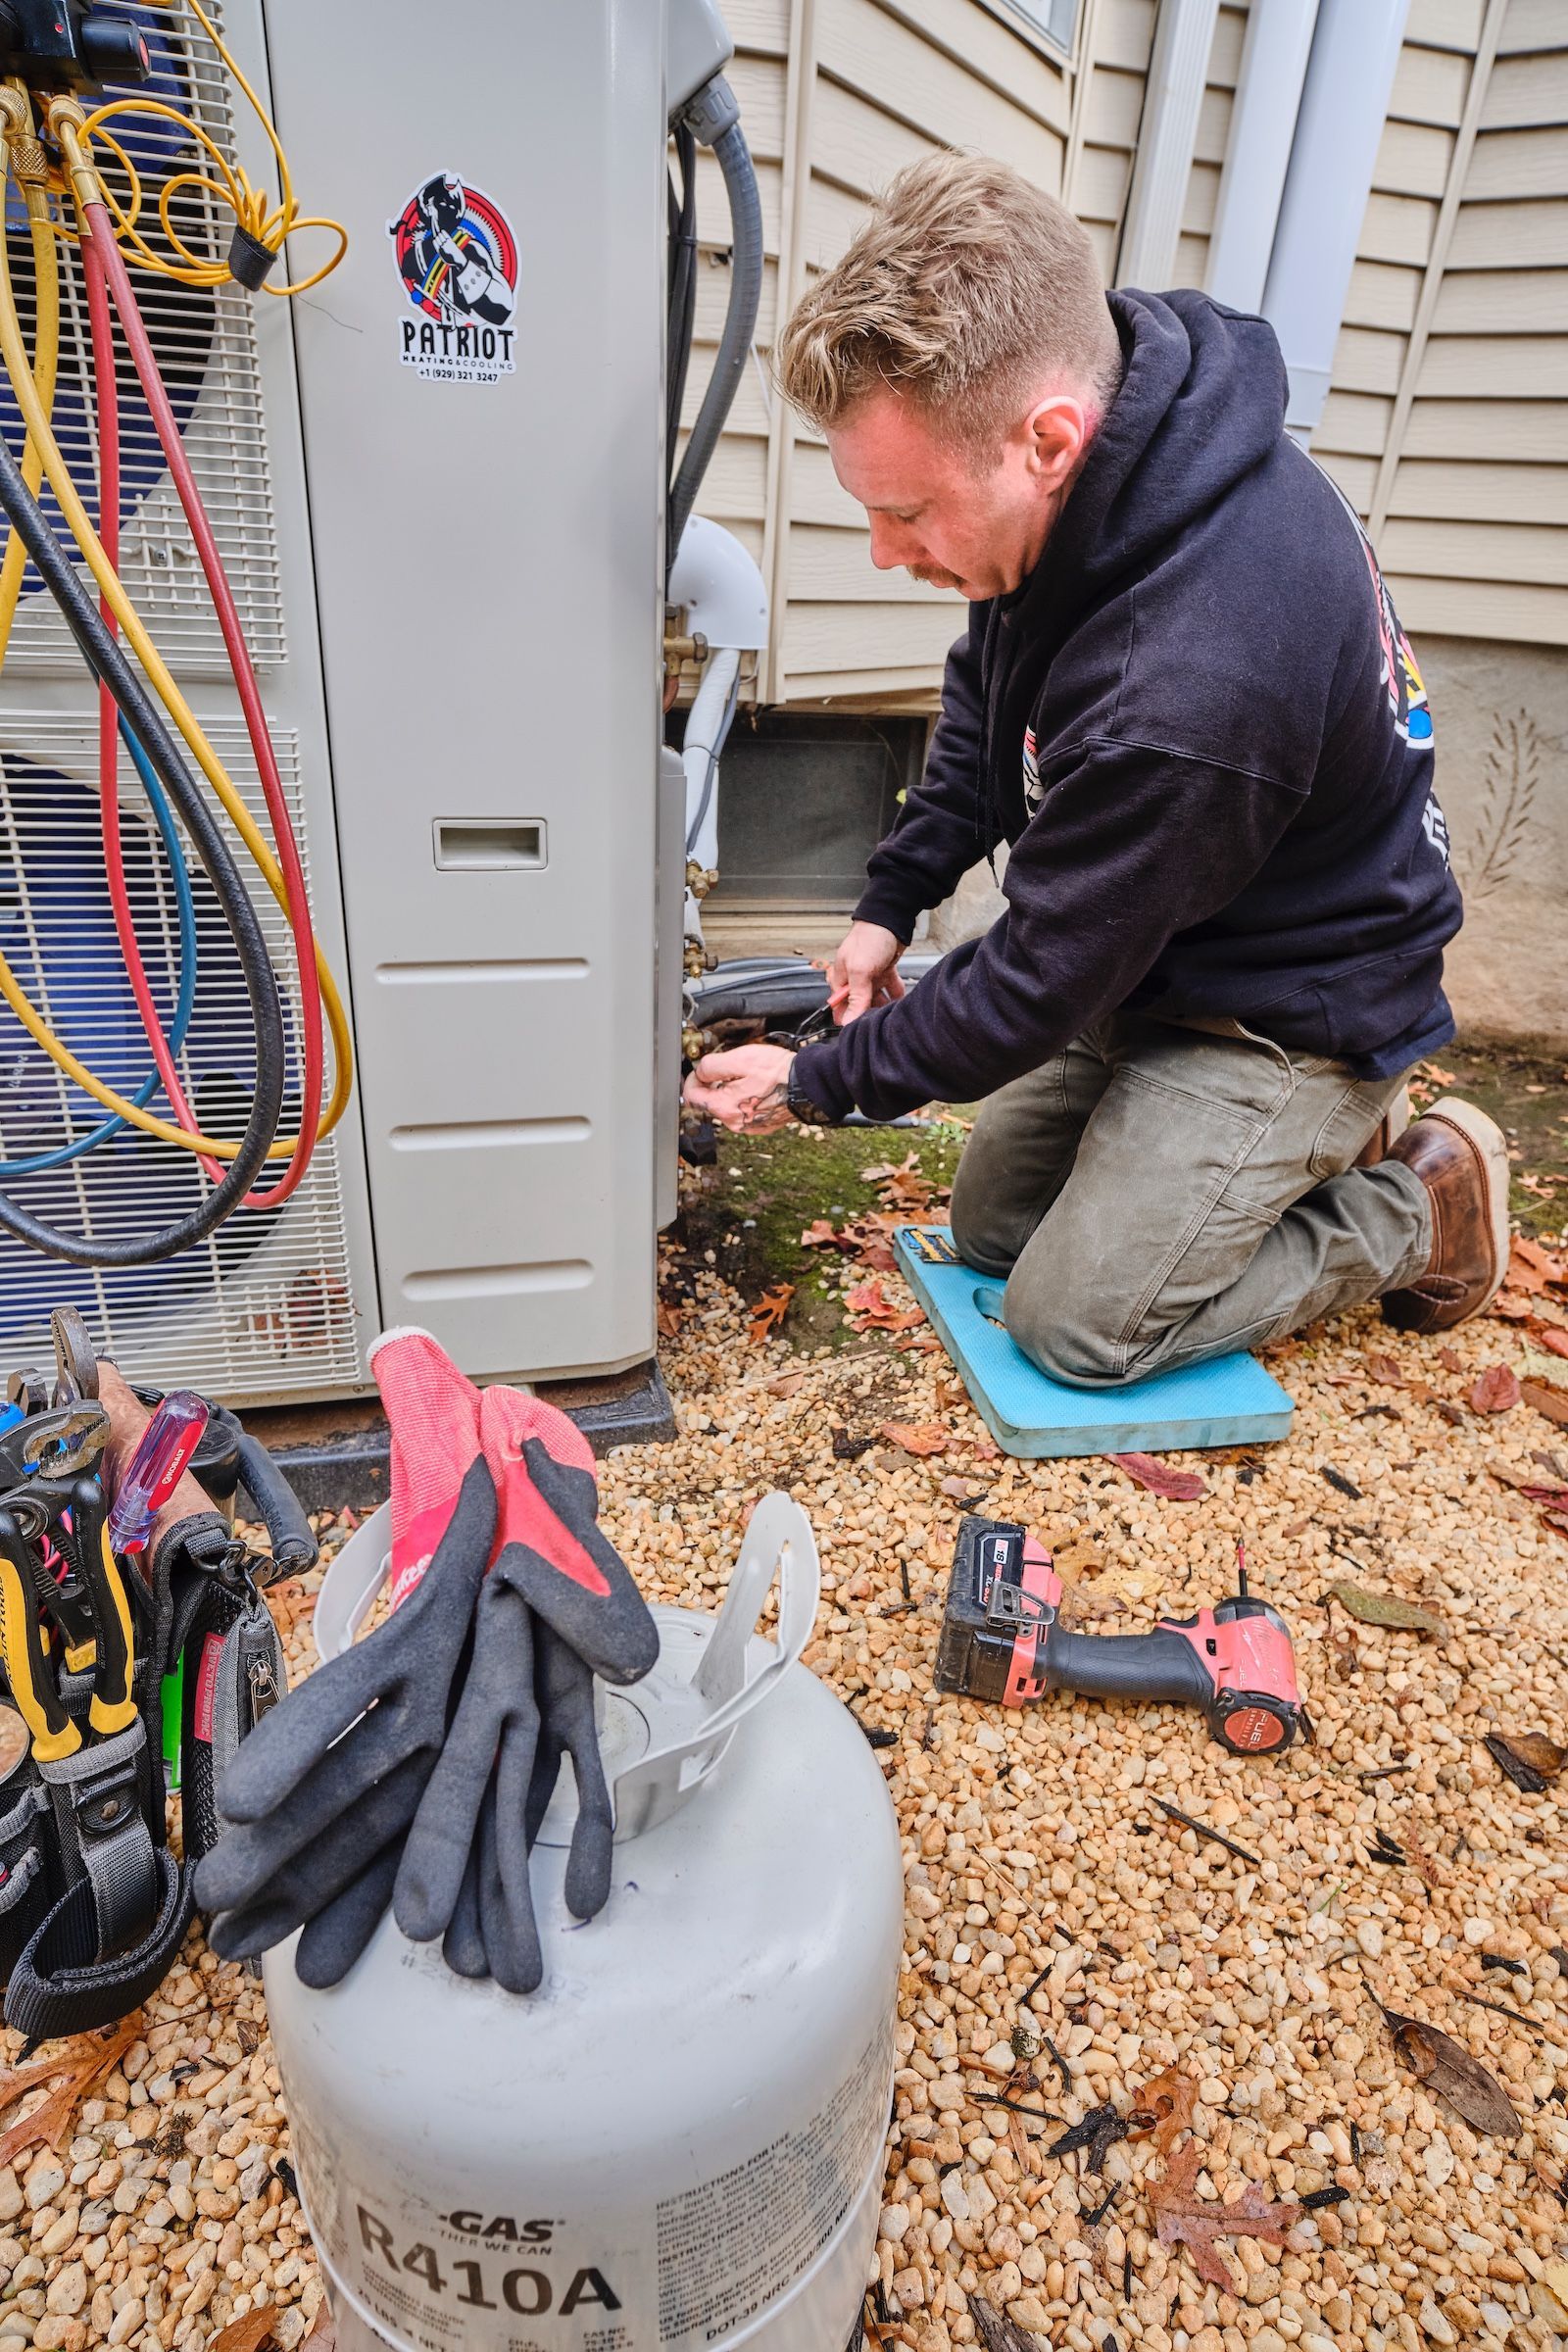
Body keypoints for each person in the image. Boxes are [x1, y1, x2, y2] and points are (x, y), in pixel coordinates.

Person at [682, 154, 1510, 1389]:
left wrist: (815, 1079)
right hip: (1168, 944)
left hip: (1290, 1011)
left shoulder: (1187, 682)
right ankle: (1266, 1164)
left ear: (1047, 440)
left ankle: (1416, 1203)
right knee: (993, 1233)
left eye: (906, 512)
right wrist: (885, 904)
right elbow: (987, 700)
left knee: (1076, 1326)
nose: (878, 552)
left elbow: (1032, 981)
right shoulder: (1108, 455)